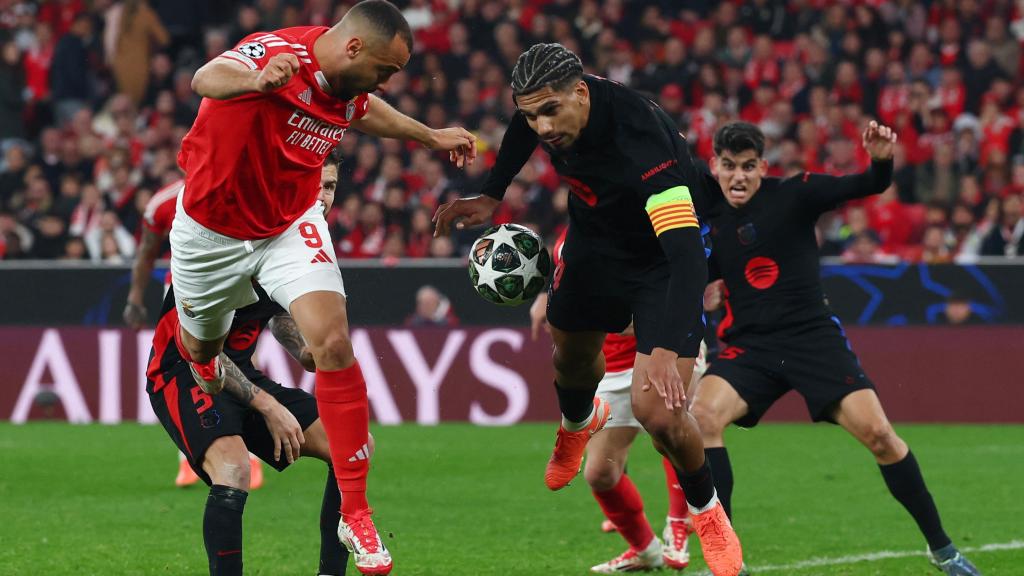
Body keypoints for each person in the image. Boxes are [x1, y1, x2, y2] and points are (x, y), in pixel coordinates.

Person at [171, 2, 475, 573]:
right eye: (386, 69)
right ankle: (211, 366)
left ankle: (354, 511)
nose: (388, 81)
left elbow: (367, 111)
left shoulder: (349, 85)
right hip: (209, 233)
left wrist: (430, 136)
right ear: (355, 48)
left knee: (334, 344)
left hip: (289, 223)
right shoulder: (279, 52)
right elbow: (204, 78)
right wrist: (257, 80)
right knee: (200, 352)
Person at [434, 43, 742, 576]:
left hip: (660, 262)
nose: (542, 126)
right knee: (569, 356)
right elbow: (520, 127)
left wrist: (667, 347)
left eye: (550, 111)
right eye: (532, 113)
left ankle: (707, 512)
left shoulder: (641, 142)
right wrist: (492, 192)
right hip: (595, 247)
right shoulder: (546, 108)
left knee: (661, 414)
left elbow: (687, 256)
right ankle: (577, 423)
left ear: (581, 93)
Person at [690, 121, 980, 576]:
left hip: (812, 340)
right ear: (715, 167)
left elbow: (869, 183)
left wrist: (881, 158)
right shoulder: (708, 221)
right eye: (729, 166)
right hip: (753, 348)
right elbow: (687, 279)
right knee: (703, 417)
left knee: (882, 437)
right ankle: (726, 560)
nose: (739, 176)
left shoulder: (795, 194)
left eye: (748, 166)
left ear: (763, 167)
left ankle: (943, 549)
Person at [147, 172, 361, 576]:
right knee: (233, 470)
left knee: (350, 446)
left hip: (239, 370)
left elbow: (279, 312)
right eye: (314, 181)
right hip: (183, 368)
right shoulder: (230, 234)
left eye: (330, 186)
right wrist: (270, 407)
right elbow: (199, 352)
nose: (321, 195)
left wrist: (304, 350)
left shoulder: (300, 238)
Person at [530, 228, 702, 574]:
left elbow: (677, 281)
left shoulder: (648, 227)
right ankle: (645, 550)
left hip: (659, 354)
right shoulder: (571, 238)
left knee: (668, 433)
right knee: (599, 473)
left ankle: (678, 524)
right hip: (610, 367)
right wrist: (545, 300)